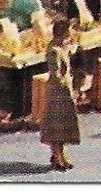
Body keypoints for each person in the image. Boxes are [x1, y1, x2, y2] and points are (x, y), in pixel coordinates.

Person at [40, 19, 80, 171]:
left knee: (62, 126)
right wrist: (67, 85)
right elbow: (56, 74)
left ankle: (61, 154)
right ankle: (56, 156)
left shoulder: (62, 47)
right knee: (56, 126)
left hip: (65, 91)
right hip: (58, 92)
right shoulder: (53, 51)